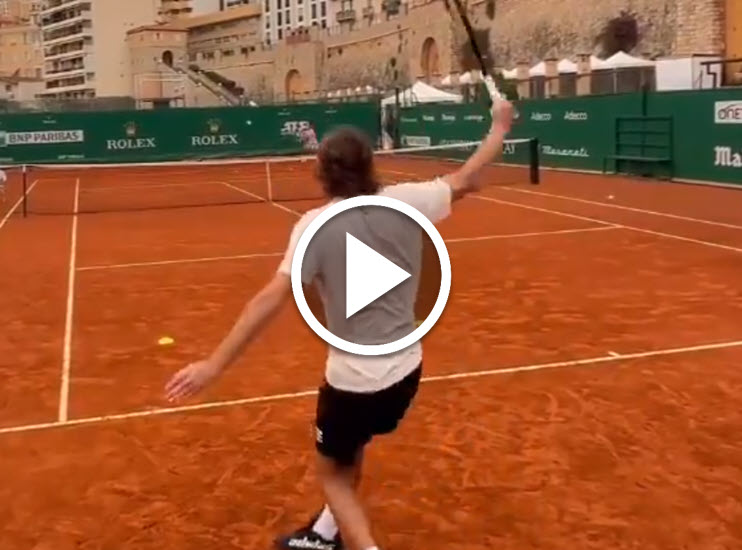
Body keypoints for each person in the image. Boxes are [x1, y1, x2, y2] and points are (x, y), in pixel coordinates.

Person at [165, 99, 515, 550]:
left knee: (332, 475)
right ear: (369, 165)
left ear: (323, 174)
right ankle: (325, 534)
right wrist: (500, 126)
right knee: (352, 447)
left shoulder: (313, 226)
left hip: (352, 384)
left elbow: (271, 298)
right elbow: (468, 177)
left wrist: (213, 366)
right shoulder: (408, 202)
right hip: (406, 374)